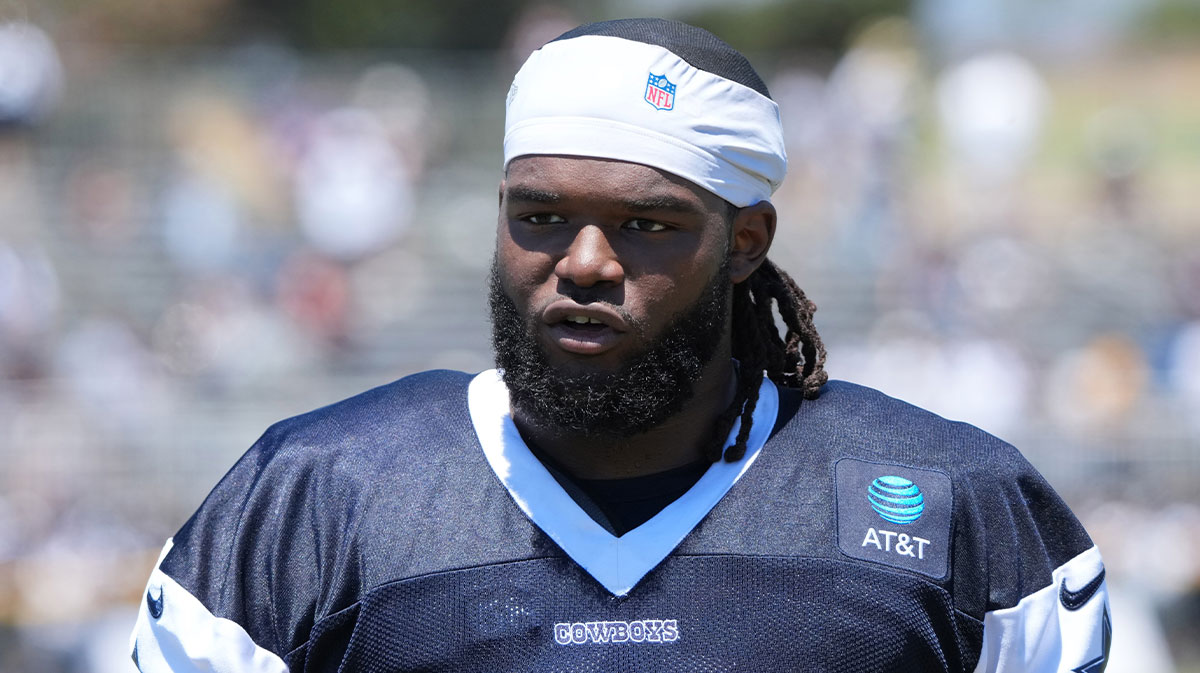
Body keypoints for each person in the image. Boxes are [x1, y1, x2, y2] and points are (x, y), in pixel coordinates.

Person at [130, 18, 1110, 672]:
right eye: (542, 214)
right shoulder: (310, 498)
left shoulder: (954, 503)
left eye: (647, 225)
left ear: (746, 244)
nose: (585, 262)